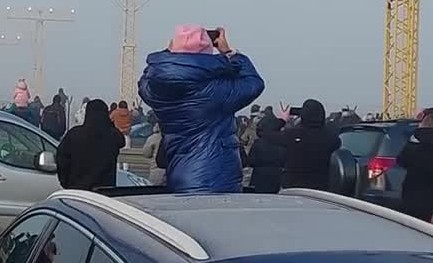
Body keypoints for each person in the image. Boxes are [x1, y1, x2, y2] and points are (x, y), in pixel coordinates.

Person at [139, 25, 265, 194]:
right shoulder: (214, 92)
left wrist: (168, 56)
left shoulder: (157, 89)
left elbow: (145, 80)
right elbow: (254, 84)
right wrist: (229, 54)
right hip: (216, 176)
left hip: (178, 172)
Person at [268, 99, 340, 191]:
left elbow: (266, 133)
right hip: (321, 189)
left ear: (303, 115)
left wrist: (282, 120)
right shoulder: (332, 139)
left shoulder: (291, 135)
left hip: (292, 187)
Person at [56, 99, 124, 191]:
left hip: (77, 189)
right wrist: (110, 124)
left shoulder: (74, 134)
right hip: (104, 191)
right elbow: (122, 142)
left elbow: (62, 159)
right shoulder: (112, 135)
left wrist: (65, 182)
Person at [246, 114, 287, 193]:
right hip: (277, 176)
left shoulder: (257, 143)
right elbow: (285, 161)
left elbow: (250, 161)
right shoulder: (282, 142)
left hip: (259, 176)